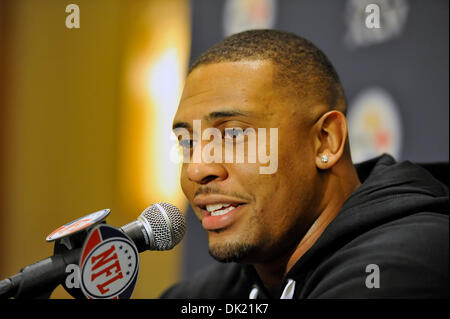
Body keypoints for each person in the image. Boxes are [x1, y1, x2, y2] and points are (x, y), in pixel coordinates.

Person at [161, 29, 449, 298]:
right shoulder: (228, 282)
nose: (196, 168)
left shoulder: (399, 265)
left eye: (233, 134)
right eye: (188, 142)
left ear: (325, 141)